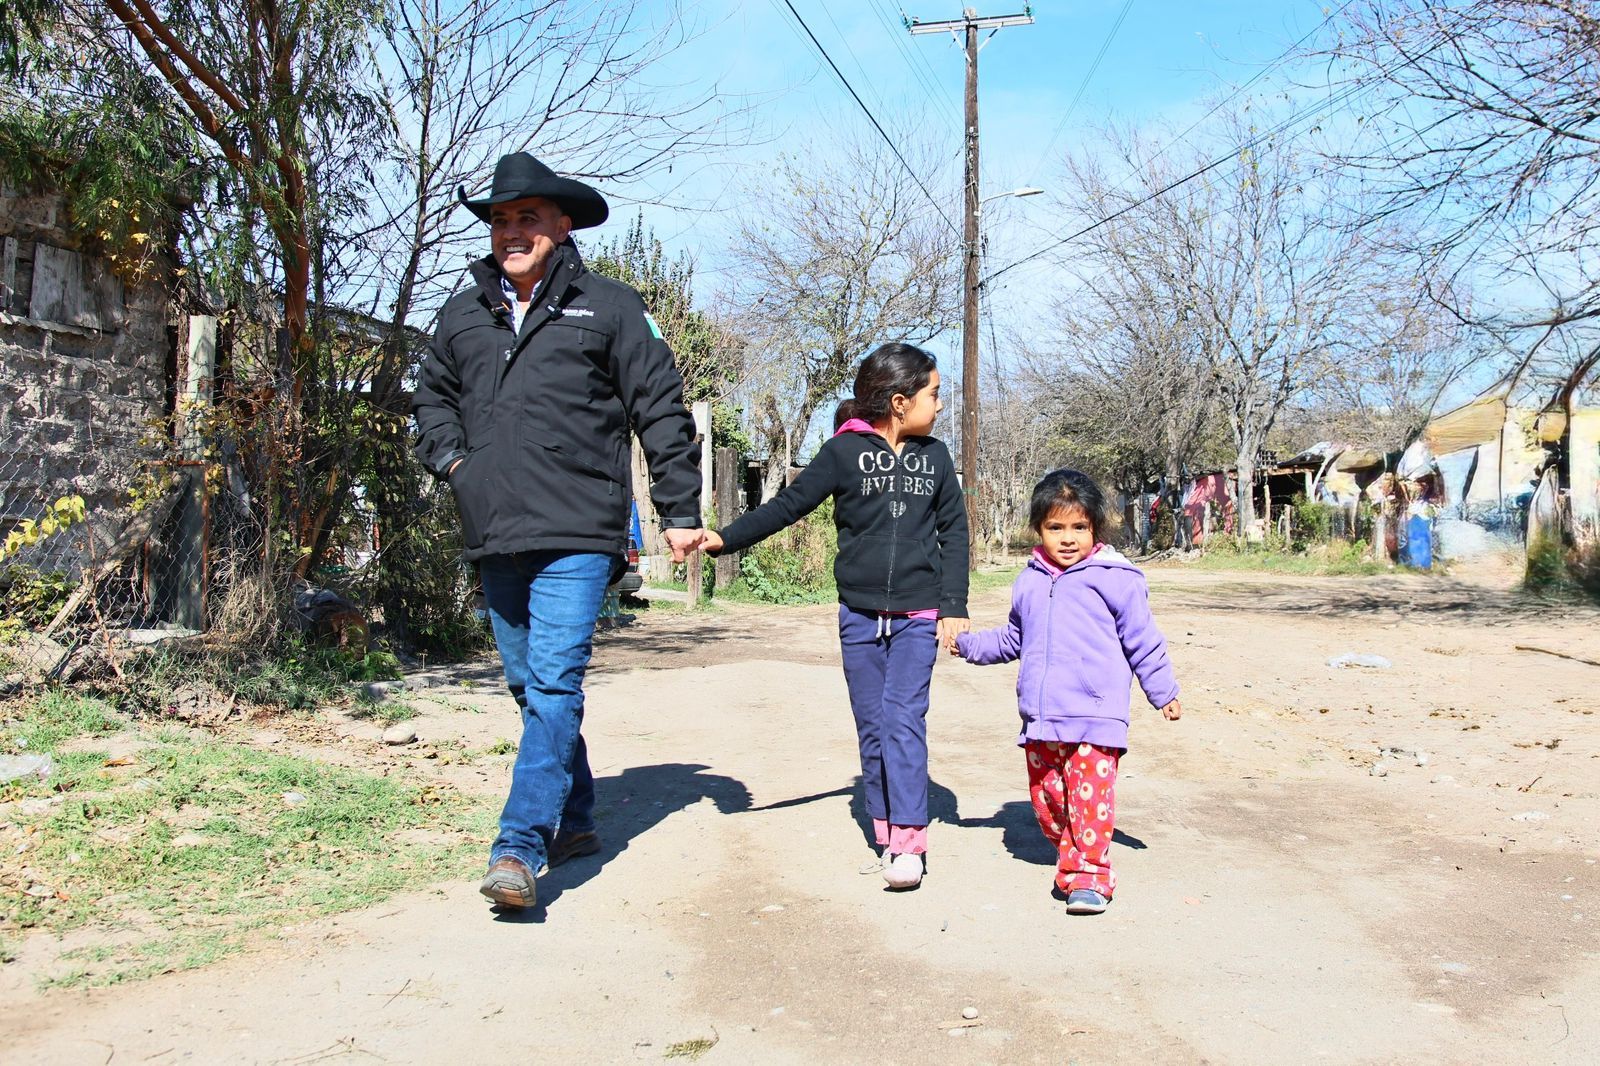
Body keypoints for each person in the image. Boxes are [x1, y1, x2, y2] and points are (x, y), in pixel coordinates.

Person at [412, 152, 704, 910]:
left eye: (527, 218)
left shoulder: (610, 306)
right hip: (494, 524)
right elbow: (430, 399)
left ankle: (519, 845)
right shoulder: (463, 310)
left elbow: (662, 411)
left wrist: (680, 512)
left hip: (578, 527)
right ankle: (573, 818)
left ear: (561, 225)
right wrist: (453, 465)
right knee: (526, 684)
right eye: (501, 219)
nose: (511, 231)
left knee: (553, 682)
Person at [701, 343, 969, 890]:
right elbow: (786, 507)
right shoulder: (843, 454)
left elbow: (955, 534)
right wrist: (724, 539)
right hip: (859, 617)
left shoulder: (937, 458)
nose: (940, 406)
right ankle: (885, 828)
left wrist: (953, 606)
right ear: (900, 401)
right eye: (934, 394)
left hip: (917, 615)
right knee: (873, 726)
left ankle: (911, 841)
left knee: (903, 720)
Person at [952, 469, 1181, 914]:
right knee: (1050, 802)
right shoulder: (1030, 581)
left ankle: (1090, 878)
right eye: (1056, 528)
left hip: (1096, 717)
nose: (1069, 538)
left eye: (1079, 527)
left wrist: (1162, 690)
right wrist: (967, 644)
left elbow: (1143, 640)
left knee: (1088, 802)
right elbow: (1014, 639)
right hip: (1042, 720)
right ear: (1039, 529)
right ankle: (1073, 855)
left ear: (1095, 528)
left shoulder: (1116, 578)